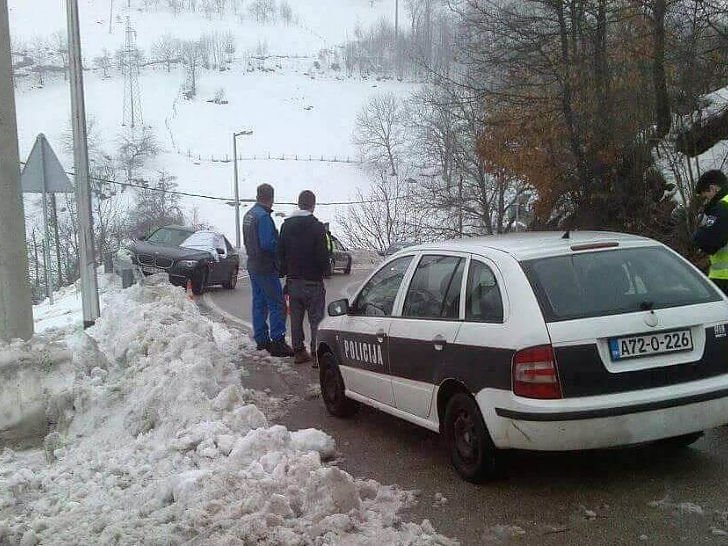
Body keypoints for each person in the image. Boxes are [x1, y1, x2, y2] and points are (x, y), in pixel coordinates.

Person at [278, 190, 330, 366]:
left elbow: (280, 252)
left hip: (293, 280)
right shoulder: (317, 227)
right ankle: (316, 355)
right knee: (316, 320)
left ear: (299, 204)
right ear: (313, 205)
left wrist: (284, 271)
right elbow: (322, 254)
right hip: (313, 281)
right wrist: (325, 270)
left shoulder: (286, 226)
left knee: (296, 319)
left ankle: (299, 352)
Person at [242, 183, 294, 357]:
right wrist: (279, 244)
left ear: (258, 196)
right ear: (271, 198)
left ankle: (261, 339)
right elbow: (267, 243)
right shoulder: (263, 217)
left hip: (253, 264)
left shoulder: (249, 215)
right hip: (265, 266)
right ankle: (278, 341)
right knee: (277, 303)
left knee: (259, 302)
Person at [693, 169, 728, 296]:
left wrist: (700, 231)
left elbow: (709, 242)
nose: (706, 201)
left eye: (705, 196)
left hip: (723, 279)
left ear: (713, 189)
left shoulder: (723, 207)